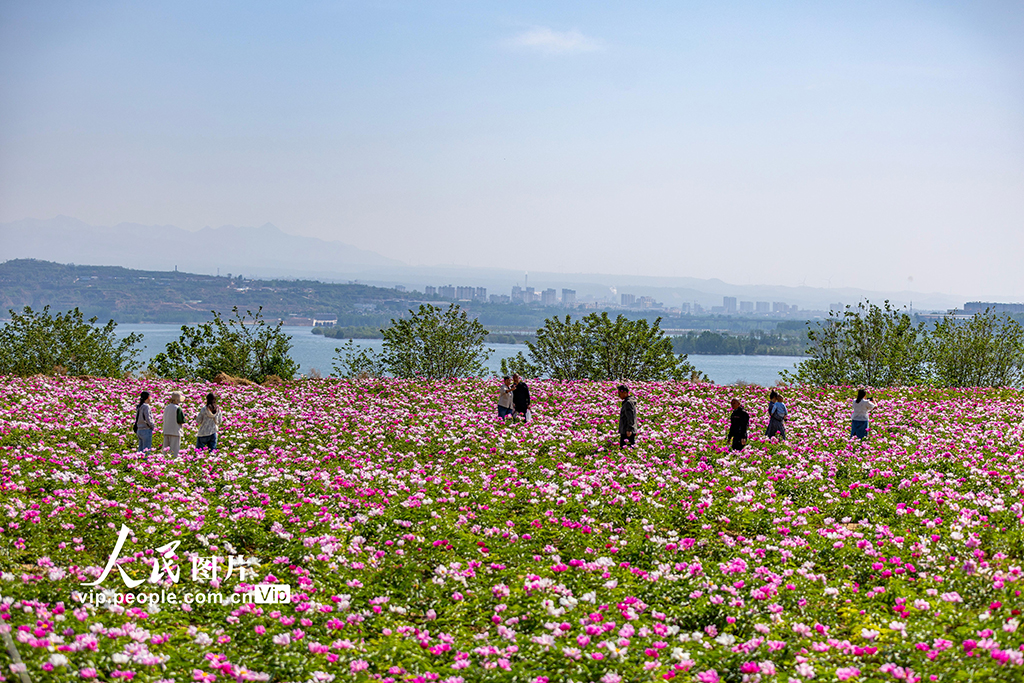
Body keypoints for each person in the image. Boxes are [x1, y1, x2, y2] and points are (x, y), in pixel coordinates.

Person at [162, 391, 186, 456]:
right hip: (175, 431)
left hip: (166, 431)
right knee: (174, 450)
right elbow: (181, 420)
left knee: (165, 450)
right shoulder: (178, 408)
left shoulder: (167, 407)